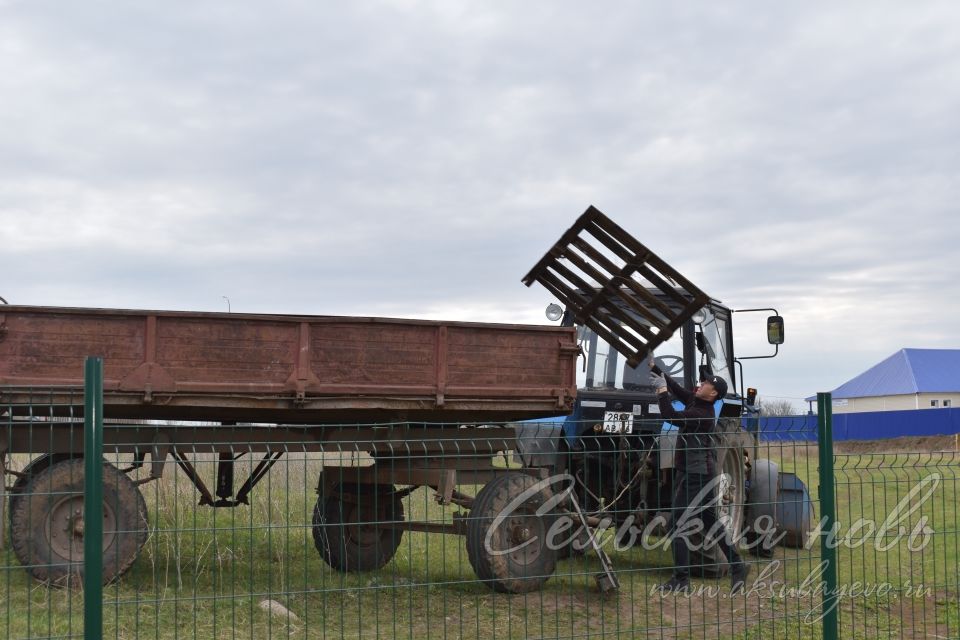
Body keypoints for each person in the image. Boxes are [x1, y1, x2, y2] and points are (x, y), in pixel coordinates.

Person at [649, 362, 750, 595]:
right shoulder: (696, 401)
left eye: (705, 383)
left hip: (696, 474)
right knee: (708, 521)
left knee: (678, 523)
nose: (701, 383)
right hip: (699, 472)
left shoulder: (701, 414)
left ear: (713, 393)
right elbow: (675, 387)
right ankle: (737, 566)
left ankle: (681, 579)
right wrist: (657, 369)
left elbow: (670, 416)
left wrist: (661, 391)